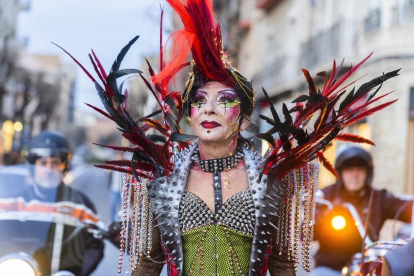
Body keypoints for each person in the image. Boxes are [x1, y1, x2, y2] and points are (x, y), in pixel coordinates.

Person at [59, 1, 398, 275]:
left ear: (245, 117)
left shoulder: (270, 181)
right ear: (189, 114)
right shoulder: (164, 182)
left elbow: (282, 264)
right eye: (199, 101)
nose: (209, 110)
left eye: (225, 101)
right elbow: (149, 262)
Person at [0, 131, 105, 276]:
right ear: (32, 166)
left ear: (64, 166)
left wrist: (77, 273)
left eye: (54, 163)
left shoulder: (80, 204)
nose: (48, 169)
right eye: (43, 163)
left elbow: (95, 243)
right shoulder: (13, 201)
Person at [313, 146, 413, 276]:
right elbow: (306, 234)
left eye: (360, 169)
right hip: (331, 267)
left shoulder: (379, 197)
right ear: (340, 172)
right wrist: (319, 219)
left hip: (367, 265)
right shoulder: (326, 196)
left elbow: (405, 208)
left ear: (368, 173)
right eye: (349, 169)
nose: (355, 174)